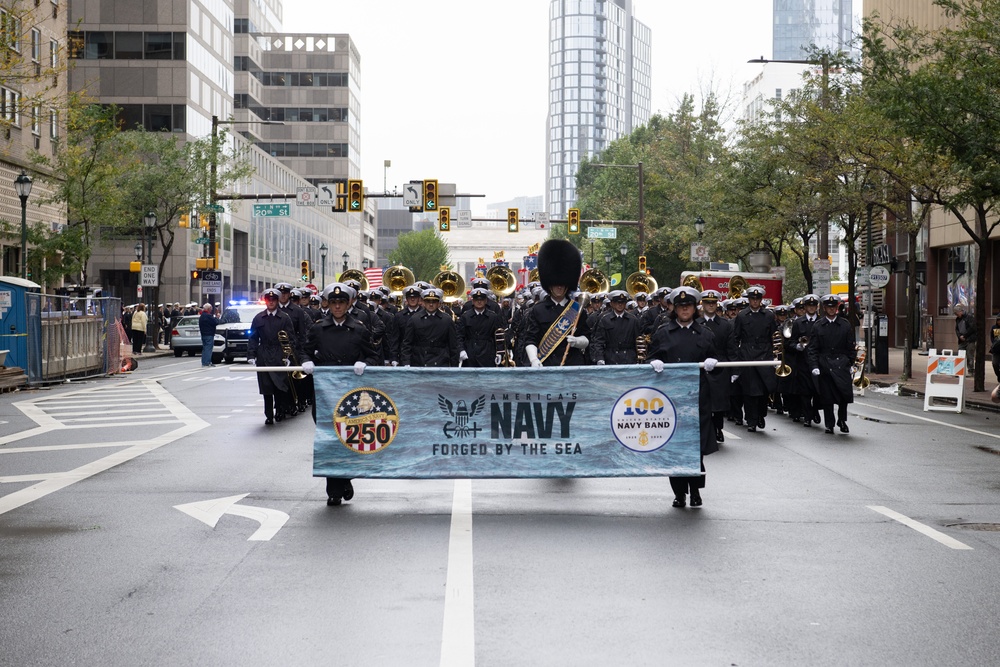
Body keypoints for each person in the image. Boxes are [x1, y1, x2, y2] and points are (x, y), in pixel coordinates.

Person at [300, 283, 377, 506]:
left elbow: (373, 356)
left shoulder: (360, 328)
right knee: (329, 437)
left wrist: (365, 362)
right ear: (328, 304)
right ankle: (334, 487)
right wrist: (306, 361)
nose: (337, 306)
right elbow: (304, 349)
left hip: (350, 391)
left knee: (348, 437)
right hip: (325, 392)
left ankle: (344, 477)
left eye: (341, 302)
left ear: (349, 304)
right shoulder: (318, 328)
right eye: (333, 303)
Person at [646, 286, 719, 508]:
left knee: (695, 447)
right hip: (670, 398)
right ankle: (679, 493)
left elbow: (718, 363)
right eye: (680, 306)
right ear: (674, 309)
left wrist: (712, 364)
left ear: (695, 308)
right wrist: (653, 363)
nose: (685, 310)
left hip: (697, 396)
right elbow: (650, 359)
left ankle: (696, 490)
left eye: (688, 306)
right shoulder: (662, 333)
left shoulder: (706, 334)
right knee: (675, 446)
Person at [523, 239, 591, 367]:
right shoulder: (538, 310)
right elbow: (530, 339)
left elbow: (587, 338)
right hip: (546, 363)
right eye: (555, 284)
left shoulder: (577, 309)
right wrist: (533, 360)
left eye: (562, 284)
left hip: (572, 364)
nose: (559, 287)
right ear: (549, 285)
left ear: (568, 284)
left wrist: (577, 341)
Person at [247, 288, 298, 425]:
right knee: (266, 387)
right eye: (268, 300)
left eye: (273, 300)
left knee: (280, 386)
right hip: (263, 353)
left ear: (277, 301)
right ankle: (269, 415)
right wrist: (251, 354)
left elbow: (290, 339)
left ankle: (280, 411)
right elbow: (253, 337)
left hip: (278, 353)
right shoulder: (258, 318)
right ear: (265, 301)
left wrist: (288, 356)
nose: (271, 302)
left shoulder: (284, 318)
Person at [730, 285, 777, 433]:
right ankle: (751, 420)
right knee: (750, 391)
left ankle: (760, 415)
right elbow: (736, 337)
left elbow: (774, 336)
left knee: (764, 390)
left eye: (757, 299)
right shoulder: (742, 315)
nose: (755, 301)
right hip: (748, 356)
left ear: (761, 300)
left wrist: (774, 355)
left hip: (764, 355)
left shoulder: (769, 315)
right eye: (752, 299)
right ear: (749, 300)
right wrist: (738, 356)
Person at [807, 294, 856, 434]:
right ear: (824, 308)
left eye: (834, 307)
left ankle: (842, 420)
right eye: (829, 307)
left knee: (843, 396)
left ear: (837, 308)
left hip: (841, 364)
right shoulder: (818, 325)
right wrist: (814, 366)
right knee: (827, 397)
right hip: (825, 365)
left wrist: (851, 363)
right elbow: (812, 348)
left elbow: (850, 346)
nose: (831, 310)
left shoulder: (845, 325)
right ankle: (829, 423)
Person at [697, 289, 732, 442]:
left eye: (713, 303)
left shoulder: (725, 324)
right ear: (702, 304)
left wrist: (734, 370)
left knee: (718, 403)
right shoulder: (696, 324)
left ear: (717, 304)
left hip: (720, 367)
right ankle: (704, 430)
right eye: (707, 303)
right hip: (701, 367)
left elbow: (731, 348)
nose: (710, 305)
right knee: (702, 402)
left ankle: (718, 428)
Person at [401, 287, 459, 367]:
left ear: (439, 303)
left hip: (440, 361)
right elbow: (407, 343)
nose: (431, 304)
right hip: (420, 360)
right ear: (423, 302)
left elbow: (453, 346)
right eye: (428, 301)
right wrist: (406, 362)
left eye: (434, 301)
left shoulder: (447, 320)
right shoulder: (415, 319)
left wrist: (454, 366)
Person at [589, 290, 640, 365]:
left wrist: (638, 358)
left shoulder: (633, 320)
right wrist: (600, 358)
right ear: (612, 303)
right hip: (610, 357)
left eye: (622, 302)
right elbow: (598, 341)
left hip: (629, 358)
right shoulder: (605, 319)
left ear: (625, 304)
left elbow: (638, 340)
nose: (620, 305)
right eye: (617, 302)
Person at [457, 287, 505, 367]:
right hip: (470, 352)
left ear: (486, 301)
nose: (479, 302)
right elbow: (459, 335)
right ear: (473, 301)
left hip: (488, 352)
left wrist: (500, 353)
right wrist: (461, 350)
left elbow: (499, 336)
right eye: (476, 299)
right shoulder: (466, 316)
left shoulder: (493, 316)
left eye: (482, 299)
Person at [954, 304, 976, 373]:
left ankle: (971, 370)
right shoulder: (957, 319)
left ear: (961, 311)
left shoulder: (969, 317)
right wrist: (959, 336)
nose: (956, 315)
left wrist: (965, 336)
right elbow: (957, 329)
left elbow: (972, 328)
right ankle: (959, 370)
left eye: (956, 313)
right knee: (960, 354)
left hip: (970, 339)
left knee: (970, 355)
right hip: (962, 340)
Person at [198, 302, 218, 367]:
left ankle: (204, 361)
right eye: (211, 308)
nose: (211, 309)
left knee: (205, 348)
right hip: (209, 334)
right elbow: (215, 322)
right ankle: (207, 362)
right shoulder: (208, 316)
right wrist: (217, 317)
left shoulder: (202, 316)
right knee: (208, 349)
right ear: (209, 308)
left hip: (203, 334)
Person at [989, 313, 1000, 383]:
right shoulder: (994, 327)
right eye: (998, 320)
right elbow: (992, 337)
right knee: (995, 364)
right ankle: (999, 375)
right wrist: (994, 344)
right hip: (996, 350)